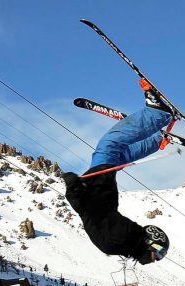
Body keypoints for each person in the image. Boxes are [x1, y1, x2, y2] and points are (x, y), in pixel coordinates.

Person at [63, 86, 173, 265]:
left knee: (114, 149)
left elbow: (88, 213)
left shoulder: (122, 241)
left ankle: (158, 131)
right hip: (99, 186)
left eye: (158, 252)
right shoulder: (126, 241)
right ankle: (157, 114)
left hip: (97, 187)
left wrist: (74, 188)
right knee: (111, 145)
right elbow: (90, 212)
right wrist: (75, 188)